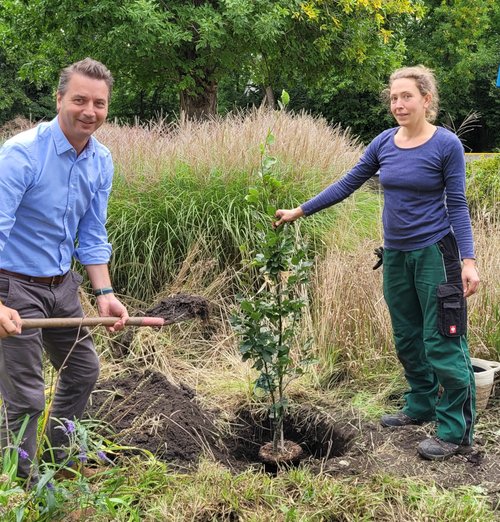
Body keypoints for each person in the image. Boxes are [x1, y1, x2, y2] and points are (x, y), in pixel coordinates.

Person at [274, 65, 480, 461]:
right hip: (396, 255)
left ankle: (455, 431)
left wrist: (468, 260)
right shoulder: (384, 142)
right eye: (393, 98)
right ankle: (421, 403)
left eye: (406, 96)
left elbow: (457, 204)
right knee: (406, 336)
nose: (398, 104)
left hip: (436, 254)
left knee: (442, 339)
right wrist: (300, 210)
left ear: (426, 99)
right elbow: (349, 182)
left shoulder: (446, 145)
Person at [0, 58, 129, 483]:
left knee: (82, 370)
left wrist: (105, 293)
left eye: (99, 103)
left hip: (62, 286)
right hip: (13, 284)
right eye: (79, 100)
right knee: (27, 395)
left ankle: (59, 455)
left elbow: (92, 234)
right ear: (59, 100)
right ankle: (22, 479)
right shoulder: (21, 154)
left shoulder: (101, 160)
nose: (89, 111)